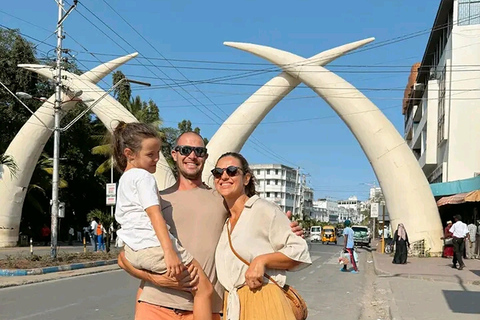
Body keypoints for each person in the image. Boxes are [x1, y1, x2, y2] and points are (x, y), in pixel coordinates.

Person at [117, 131, 303, 320]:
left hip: (207, 309)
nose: (192, 156)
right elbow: (124, 257)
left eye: (198, 151)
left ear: (205, 156)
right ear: (174, 154)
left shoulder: (222, 198)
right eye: (185, 150)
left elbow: (253, 222)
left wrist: (288, 229)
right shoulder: (156, 201)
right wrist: (156, 279)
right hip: (156, 306)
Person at [113, 121, 213, 320]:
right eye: (151, 154)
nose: (157, 159)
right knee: (205, 289)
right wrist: (169, 253)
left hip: (136, 250)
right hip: (156, 250)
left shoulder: (124, 180)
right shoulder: (144, 178)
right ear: (129, 153)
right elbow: (154, 215)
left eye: (158, 153)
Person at [213, 152, 311, 320]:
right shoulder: (224, 220)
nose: (224, 176)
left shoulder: (263, 209)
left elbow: (299, 251)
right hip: (234, 305)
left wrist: (262, 261)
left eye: (231, 171)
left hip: (264, 302)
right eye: (218, 172)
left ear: (246, 178)